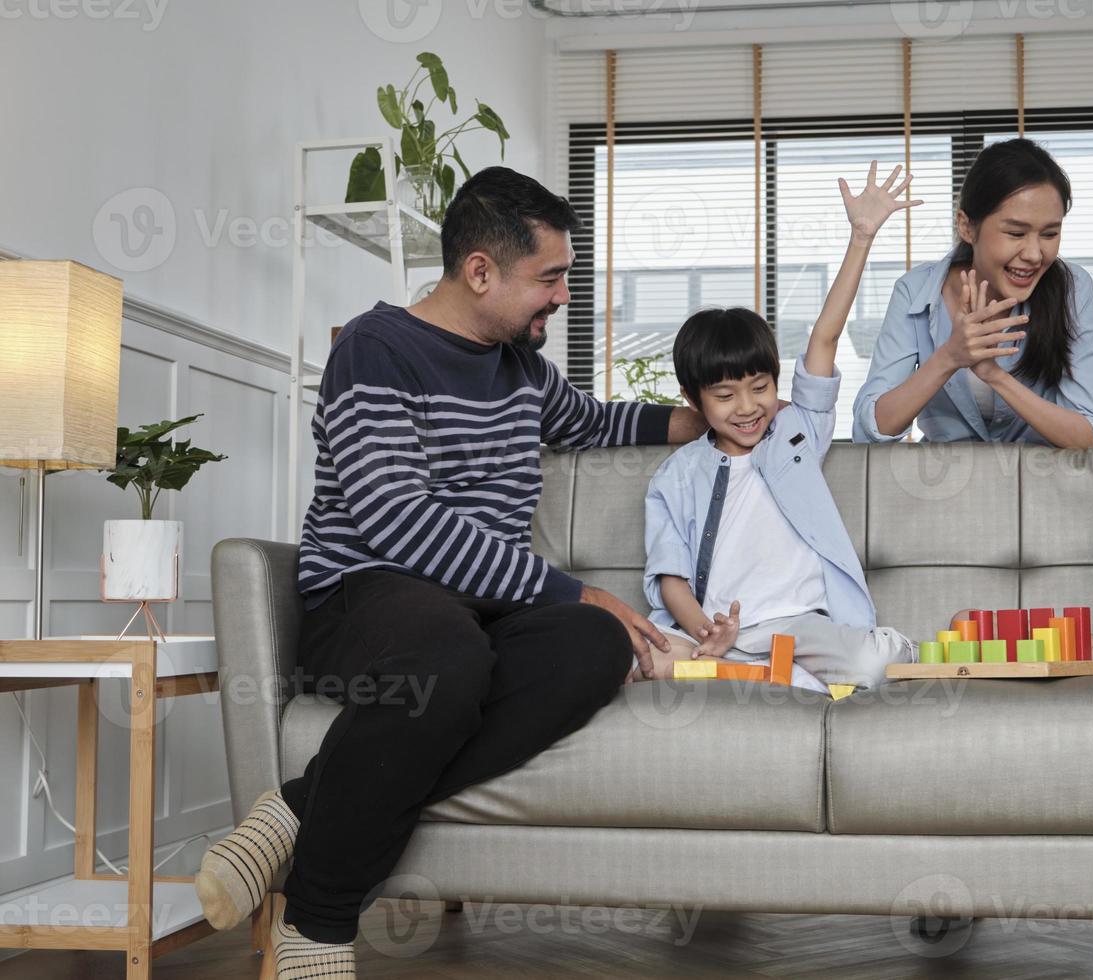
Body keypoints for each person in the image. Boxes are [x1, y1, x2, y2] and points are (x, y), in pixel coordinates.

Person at [193, 167, 708, 979]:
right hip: (365, 597)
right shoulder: (374, 349)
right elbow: (398, 523)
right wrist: (578, 589)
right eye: (548, 278)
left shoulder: (523, 370)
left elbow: (597, 421)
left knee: (589, 647)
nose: (561, 296)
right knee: (458, 651)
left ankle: (300, 806)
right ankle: (319, 924)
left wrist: (713, 413)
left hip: (473, 612)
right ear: (479, 272)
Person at [640, 162, 919, 691]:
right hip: (721, 633)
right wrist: (707, 631)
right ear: (692, 399)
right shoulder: (675, 478)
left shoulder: (797, 432)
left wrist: (861, 237)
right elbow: (671, 578)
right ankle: (764, 676)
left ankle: (771, 676)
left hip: (801, 627)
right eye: (724, 395)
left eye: (760, 386)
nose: (747, 407)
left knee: (872, 666)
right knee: (645, 658)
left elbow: (824, 339)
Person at [852, 138, 1093, 448]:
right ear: (966, 227)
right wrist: (950, 356)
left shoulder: (1073, 291)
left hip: (1044, 487)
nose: (1034, 253)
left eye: (1049, 234)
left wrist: (994, 375)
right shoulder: (915, 292)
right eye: (1016, 233)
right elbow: (870, 431)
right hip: (943, 487)